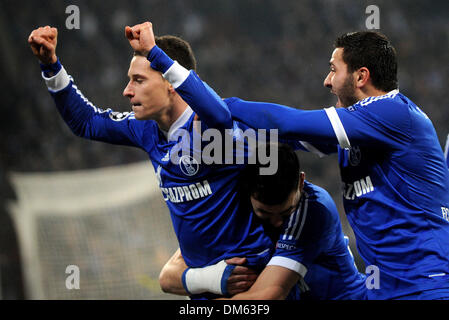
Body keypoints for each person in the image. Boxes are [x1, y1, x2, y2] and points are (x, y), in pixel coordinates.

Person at [129, 24, 449, 299]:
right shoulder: (359, 132)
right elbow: (272, 138)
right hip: (387, 289)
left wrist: (222, 107)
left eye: (334, 69)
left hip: (426, 284)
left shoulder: (392, 113)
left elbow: (287, 123)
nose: (326, 80)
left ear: (361, 76)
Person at [27, 25, 291, 300]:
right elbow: (87, 122)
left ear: (171, 83)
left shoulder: (209, 128)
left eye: (138, 80)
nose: (127, 91)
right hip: (206, 288)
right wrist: (51, 66)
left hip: (251, 281)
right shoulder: (145, 129)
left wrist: (155, 53)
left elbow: (220, 116)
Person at [159, 143, 368, 300]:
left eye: (286, 212)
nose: (277, 223)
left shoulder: (314, 209)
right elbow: (167, 277)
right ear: (247, 192)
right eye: (265, 213)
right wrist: (212, 277)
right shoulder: (233, 210)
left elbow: (266, 298)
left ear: (301, 182)